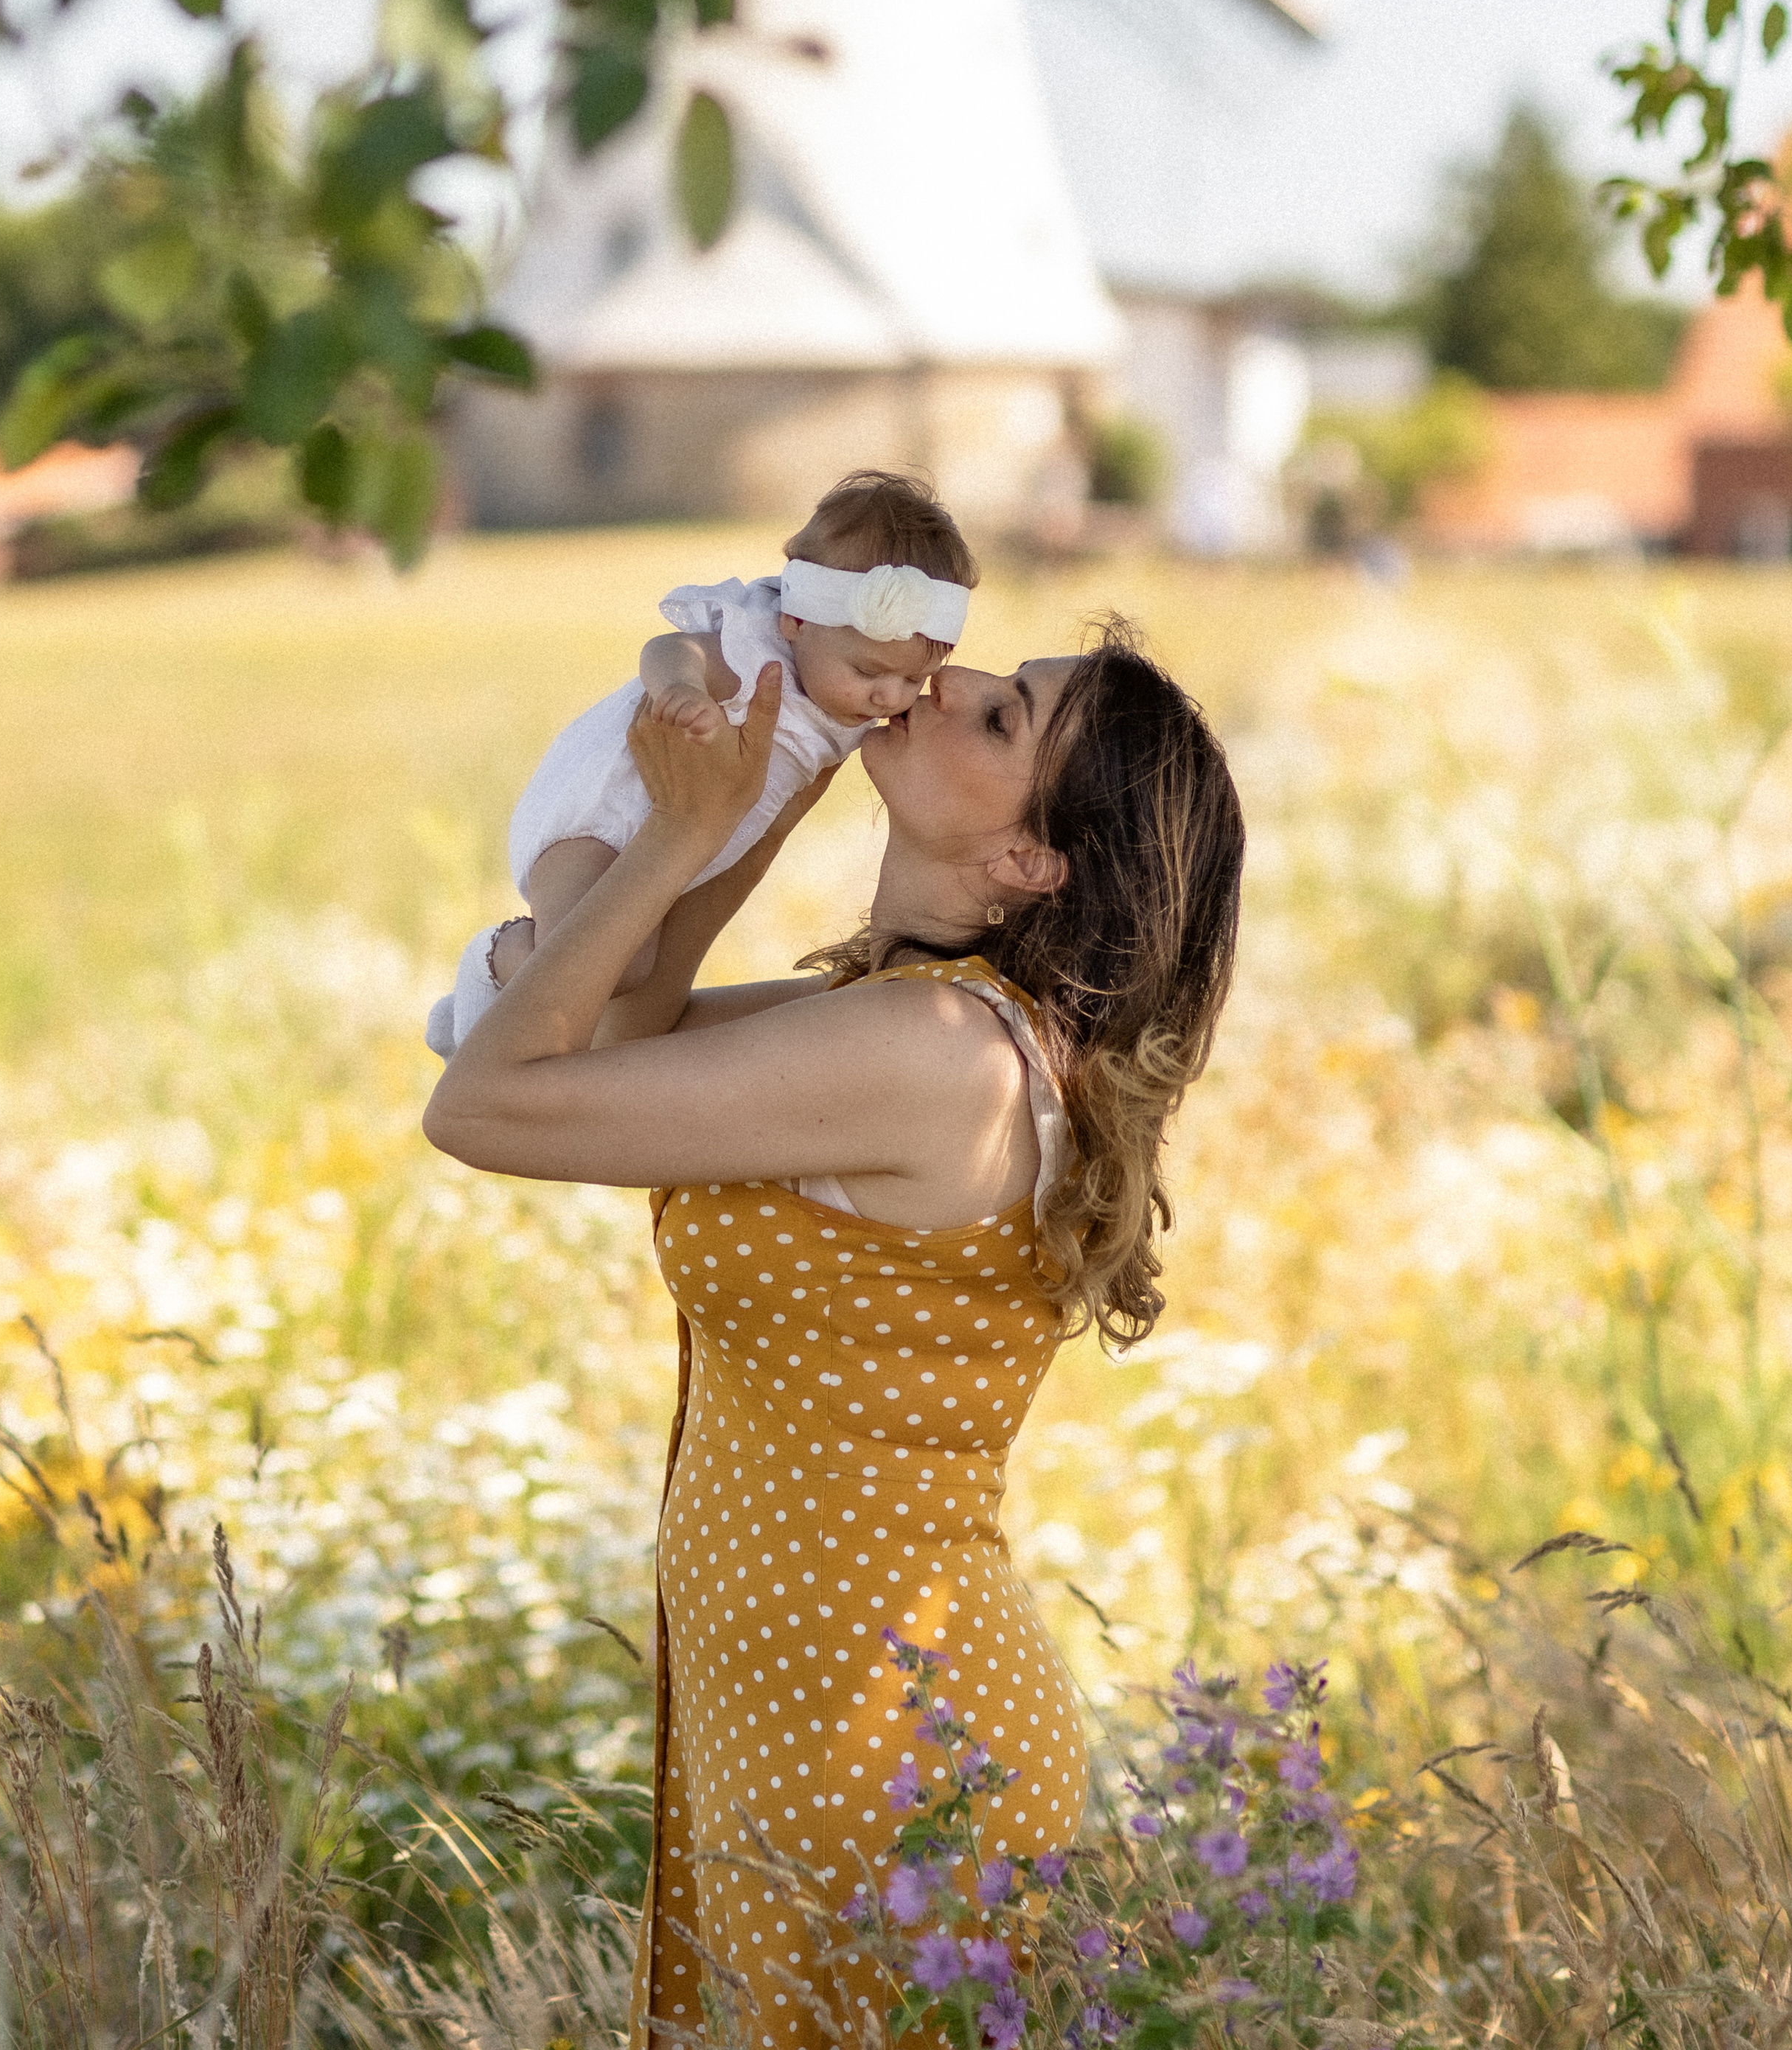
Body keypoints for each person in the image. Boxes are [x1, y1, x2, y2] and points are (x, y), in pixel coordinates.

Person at [423, 622, 1246, 2050]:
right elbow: (626, 1037)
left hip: (877, 1750)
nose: (951, 685)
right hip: (806, 1715)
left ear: (1026, 865)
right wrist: (761, 785)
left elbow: (488, 1102)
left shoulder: (934, 1057)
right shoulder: (905, 1020)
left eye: (1001, 722)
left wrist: (678, 836)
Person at [425, 470, 977, 1058]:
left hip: (678, 846)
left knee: (621, 1001)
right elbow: (669, 649)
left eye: (913, 678)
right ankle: (490, 966)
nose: (890, 697)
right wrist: (682, 690)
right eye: (869, 672)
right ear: (795, 622)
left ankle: (471, 1034)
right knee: (614, 969)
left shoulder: (838, 683)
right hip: (601, 820)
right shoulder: (757, 653)